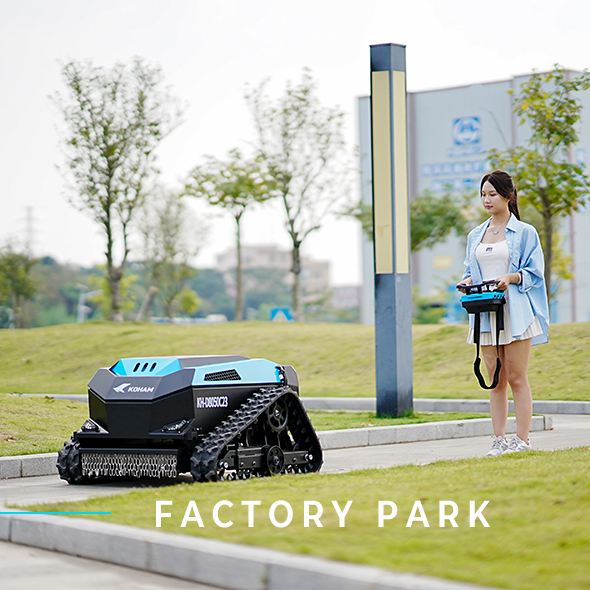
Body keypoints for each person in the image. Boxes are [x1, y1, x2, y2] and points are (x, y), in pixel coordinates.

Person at [457, 170, 549, 456]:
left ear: (508, 196)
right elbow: (471, 270)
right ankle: (499, 440)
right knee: (495, 380)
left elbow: (535, 273)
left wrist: (511, 277)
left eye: (492, 194)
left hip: (516, 313)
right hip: (485, 313)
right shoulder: (475, 234)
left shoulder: (525, 232)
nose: (486, 200)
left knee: (517, 377)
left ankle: (522, 440)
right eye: (483, 195)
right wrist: (467, 281)